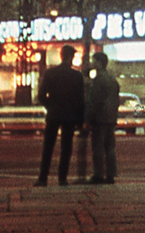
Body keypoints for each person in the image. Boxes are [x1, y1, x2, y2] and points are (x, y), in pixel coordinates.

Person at [35, 45, 86, 186]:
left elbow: (41, 95)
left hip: (53, 114)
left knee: (48, 147)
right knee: (66, 148)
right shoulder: (77, 76)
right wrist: (80, 120)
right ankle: (62, 178)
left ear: (61, 56)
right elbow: (81, 100)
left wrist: (49, 106)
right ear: (71, 57)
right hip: (69, 115)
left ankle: (43, 178)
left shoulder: (50, 73)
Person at [86, 52, 120, 184]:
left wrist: (89, 118)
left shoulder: (99, 80)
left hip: (100, 118)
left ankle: (99, 174)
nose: (91, 63)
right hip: (110, 118)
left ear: (99, 63)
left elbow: (95, 101)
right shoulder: (112, 79)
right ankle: (111, 174)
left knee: (98, 148)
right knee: (110, 147)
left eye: (93, 61)